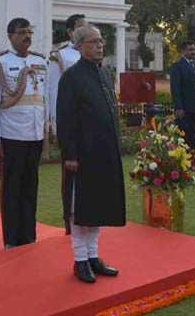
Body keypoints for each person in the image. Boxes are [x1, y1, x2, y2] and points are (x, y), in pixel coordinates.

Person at [56, 24, 125, 283]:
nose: (99, 46)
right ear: (79, 46)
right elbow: (65, 118)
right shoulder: (71, 77)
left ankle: (94, 255)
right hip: (81, 155)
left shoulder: (105, 73)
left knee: (97, 206)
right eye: (93, 42)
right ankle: (80, 259)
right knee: (80, 208)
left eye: (100, 41)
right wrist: (70, 154)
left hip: (104, 152)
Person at [0, 18, 49, 249]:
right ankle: (11, 239)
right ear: (10, 36)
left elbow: (45, 99)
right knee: (12, 188)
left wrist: (46, 130)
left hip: (34, 133)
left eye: (29, 32)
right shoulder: (0, 62)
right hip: (11, 133)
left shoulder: (41, 61)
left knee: (31, 187)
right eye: (21, 32)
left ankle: (28, 235)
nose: (26, 36)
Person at [47, 14, 88, 134]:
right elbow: (55, 90)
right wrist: (56, 119)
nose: (85, 30)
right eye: (81, 27)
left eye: (87, 26)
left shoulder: (93, 52)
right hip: (70, 113)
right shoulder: (59, 55)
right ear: (70, 32)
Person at [169, 40, 195, 150]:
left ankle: (193, 161)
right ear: (183, 51)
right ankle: (185, 162)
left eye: (194, 49)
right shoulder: (177, 66)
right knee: (185, 137)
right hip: (184, 109)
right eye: (190, 49)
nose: (193, 52)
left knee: (192, 135)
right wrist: (178, 108)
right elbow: (175, 89)